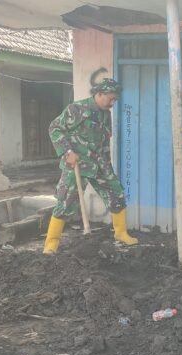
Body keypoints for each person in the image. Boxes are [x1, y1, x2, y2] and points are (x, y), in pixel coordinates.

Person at [43, 76, 138, 254]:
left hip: (99, 164)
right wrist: (67, 152)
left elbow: (104, 142)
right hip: (77, 165)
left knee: (116, 193)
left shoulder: (105, 114)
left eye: (115, 100)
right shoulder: (76, 109)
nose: (113, 103)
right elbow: (54, 128)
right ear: (100, 94)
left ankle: (121, 233)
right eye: (111, 99)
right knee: (66, 203)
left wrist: (107, 165)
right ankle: (51, 243)